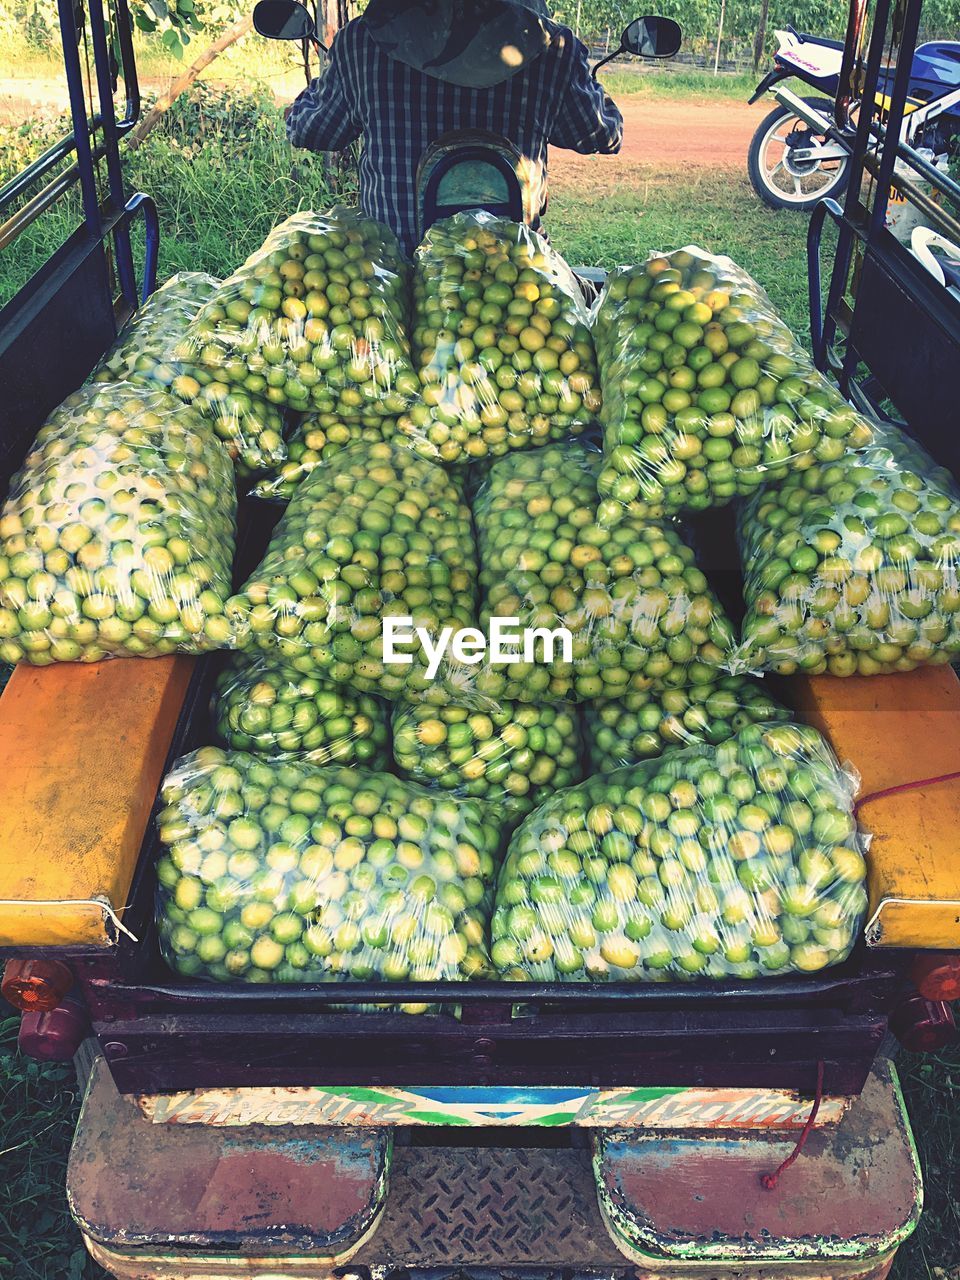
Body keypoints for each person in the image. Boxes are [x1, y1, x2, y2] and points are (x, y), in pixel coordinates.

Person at [285, 0, 623, 255]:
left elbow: (313, 130)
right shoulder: (554, 50)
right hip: (514, 274)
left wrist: (303, 103)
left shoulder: (359, 44)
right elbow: (601, 134)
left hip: (395, 271)